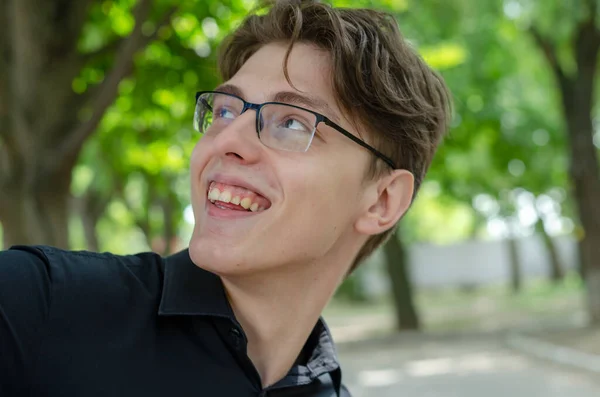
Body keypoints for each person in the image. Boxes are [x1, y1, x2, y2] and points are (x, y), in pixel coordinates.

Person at [0, 1, 451, 396]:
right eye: (225, 111)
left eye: (291, 122)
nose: (227, 139)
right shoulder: (36, 305)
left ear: (382, 202)